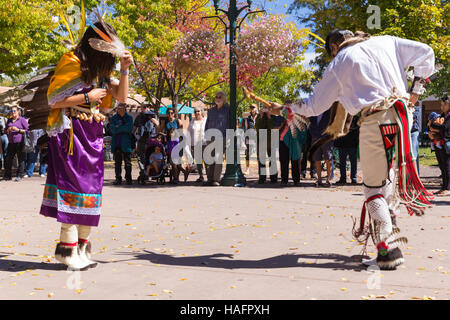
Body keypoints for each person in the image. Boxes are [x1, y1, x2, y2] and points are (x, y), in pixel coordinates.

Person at [270, 30, 435, 270]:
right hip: (402, 118)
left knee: (373, 190)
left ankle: (388, 251)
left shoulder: (339, 63)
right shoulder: (386, 41)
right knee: (388, 180)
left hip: (377, 120)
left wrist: (285, 108)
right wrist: (415, 92)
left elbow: (314, 106)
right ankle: (388, 237)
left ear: (334, 48)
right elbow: (426, 52)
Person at [39, 19, 132, 270]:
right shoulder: (71, 61)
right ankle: (67, 251)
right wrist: (86, 96)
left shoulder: (101, 71)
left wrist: (124, 70)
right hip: (70, 133)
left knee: (91, 189)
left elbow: (121, 97)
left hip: (92, 134)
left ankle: (82, 247)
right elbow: (53, 99)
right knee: (74, 186)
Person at [204, 91, 230, 186]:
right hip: (210, 137)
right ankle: (209, 179)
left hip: (222, 137)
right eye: (216, 96)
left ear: (224, 99)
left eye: (220, 97)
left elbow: (230, 124)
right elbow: (207, 123)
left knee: (218, 159)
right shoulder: (211, 111)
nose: (217, 98)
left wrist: (228, 136)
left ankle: (216, 179)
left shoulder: (228, 110)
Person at [279, 116, 307, 186]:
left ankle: (296, 180)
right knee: (284, 161)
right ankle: (284, 180)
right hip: (283, 142)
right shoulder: (282, 118)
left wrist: (302, 142)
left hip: (295, 142)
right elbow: (277, 128)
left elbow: (303, 131)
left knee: (295, 161)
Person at [309, 109, 333, 187]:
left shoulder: (329, 111)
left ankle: (328, 180)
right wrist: (313, 134)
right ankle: (319, 180)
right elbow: (310, 124)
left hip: (326, 138)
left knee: (328, 158)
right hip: (315, 138)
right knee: (317, 159)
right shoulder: (313, 111)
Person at [3, 106, 29, 181]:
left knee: (21, 159)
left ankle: (19, 175)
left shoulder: (22, 120)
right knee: (8, 159)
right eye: (12, 111)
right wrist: (8, 129)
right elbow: (5, 131)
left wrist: (18, 130)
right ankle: (8, 175)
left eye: (14, 111)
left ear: (18, 112)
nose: (13, 113)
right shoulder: (9, 120)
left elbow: (27, 130)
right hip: (11, 142)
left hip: (20, 142)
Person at [110, 103, 134, 185]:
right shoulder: (113, 118)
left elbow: (129, 129)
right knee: (117, 163)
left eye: (121, 108)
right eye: (118, 108)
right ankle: (118, 178)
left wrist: (118, 127)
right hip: (116, 143)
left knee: (128, 163)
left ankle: (128, 178)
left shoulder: (129, 118)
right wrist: (123, 127)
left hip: (126, 144)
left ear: (124, 109)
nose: (119, 110)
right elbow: (112, 130)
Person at [431, 97, 450, 196]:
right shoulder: (443, 115)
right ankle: (444, 187)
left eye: (444, 105)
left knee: (447, 166)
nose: (441, 107)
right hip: (440, 144)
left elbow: (445, 127)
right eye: (441, 105)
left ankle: (448, 188)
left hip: (447, 143)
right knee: (442, 166)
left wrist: (432, 126)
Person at [335, 115, 360, 185]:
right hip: (343, 143)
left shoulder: (356, 118)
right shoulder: (341, 117)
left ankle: (353, 178)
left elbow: (358, 128)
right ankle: (343, 178)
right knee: (342, 163)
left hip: (352, 144)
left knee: (353, 163)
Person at [188, 106, 207, 182]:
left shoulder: (206, 120)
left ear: (201, 111)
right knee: (199, 161)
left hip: (205, 143)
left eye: (198, 111)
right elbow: (189, 133)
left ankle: (209, 176)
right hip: (196, 144)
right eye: (195, 111)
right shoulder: (192, 121)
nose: (197, 113)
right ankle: (201, 176)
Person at [243, 104, 258, 175]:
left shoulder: (259, 116)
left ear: (256, 108)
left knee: (259, 153)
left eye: (253, 107)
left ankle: (260, 170)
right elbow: (245, 128)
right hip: (250, 137)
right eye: (251, 107)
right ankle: (247, 169)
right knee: (248, 153)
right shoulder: (247, 118)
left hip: (259, 137)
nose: (252, 109)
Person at [411, 105, 421, 175]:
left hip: (414, 132)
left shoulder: (415, 109)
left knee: (414, 154)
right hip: (406, 132)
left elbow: (413, 119)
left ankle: (416, 175)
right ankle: (408, 176)